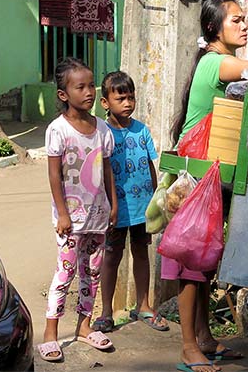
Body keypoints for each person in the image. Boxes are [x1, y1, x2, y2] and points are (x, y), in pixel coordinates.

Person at [165, 0, 248, 372]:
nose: (244, 25)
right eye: (236, 20)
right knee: (191, 261)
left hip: (209, 172)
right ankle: (189, 347)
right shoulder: (215, 62)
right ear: (213, 28)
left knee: (205, 258)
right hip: (197, 174)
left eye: (243, 20)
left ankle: (204, 337)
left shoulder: (216, 61)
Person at [37, 57, 117, 362]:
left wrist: (113, 205)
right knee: (65, 272)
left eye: (90, 85)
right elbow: (54, 175)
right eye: (80, 87)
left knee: (92, 273)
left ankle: (84, 327)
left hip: (98, 216)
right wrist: (63, 213)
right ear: (63, 94)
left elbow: (108, 170)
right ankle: (51, 333)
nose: (89, 92)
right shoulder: (58, 130)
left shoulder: (103, 130)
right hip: (70, 220)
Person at [92, 71, 169, 333]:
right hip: (114, 209)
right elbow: (100, 173)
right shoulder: (102, 133)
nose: (127, 103)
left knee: (141, 253)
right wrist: (106, 206)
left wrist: (157, 201)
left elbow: (150, 167)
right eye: (120, 98)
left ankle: (144, 305)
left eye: (131, 98)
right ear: (105, 103)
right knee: (112, 256)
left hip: (141, 208)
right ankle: (105, 312)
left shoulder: (142, 130)